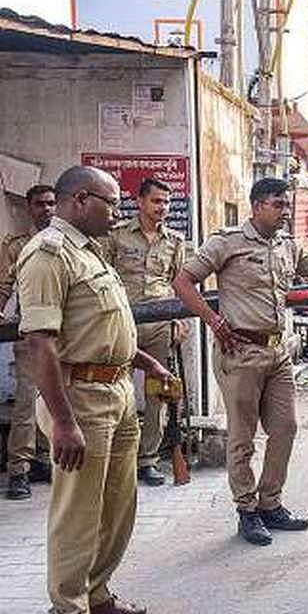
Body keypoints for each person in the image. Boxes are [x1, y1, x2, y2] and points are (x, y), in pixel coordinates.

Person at [18, 166, 175, 614]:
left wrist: (145, 361)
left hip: (119, 391)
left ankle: (96, 592)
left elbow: (102, 326)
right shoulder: (48, 255)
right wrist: (63, 424)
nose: (119, 212)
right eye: (112, 202)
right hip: (79, 400)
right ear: (81, 200)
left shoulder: (91, 252)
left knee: (117, 506)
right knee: (78, 513)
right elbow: (41, 344)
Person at [172, 177, 308, 546]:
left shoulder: (287, 246)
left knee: (285, 428)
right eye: (278, 204)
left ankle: (271, 503)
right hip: (240, 353)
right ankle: (246, 511)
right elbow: (184, 282)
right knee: (242, 438)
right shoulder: (227, 241)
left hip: (278, 352)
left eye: (286, 205)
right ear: (257, 206)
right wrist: (213, 320)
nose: (285, 212)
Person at [104, 178, 186, 487]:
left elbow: (181, 283)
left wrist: (181, 319)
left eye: (166, 202)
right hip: (122, 323)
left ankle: (148, 459)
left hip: (160, 324)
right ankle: (117, 457)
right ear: (140, 201)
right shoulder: (116, 236)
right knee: (116, 388)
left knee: (157, 393)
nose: (162, 208)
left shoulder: (175, 241)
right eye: (156, 201)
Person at [1, 184, 56, 500]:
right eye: (40, 204)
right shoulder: (16, 246)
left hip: (63, 333)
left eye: (51, 203)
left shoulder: (67, 243)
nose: (46, 209)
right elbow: (3, 286)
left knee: (55, 399)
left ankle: (44, 459)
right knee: (26, 405)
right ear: (29, 208)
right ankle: (19, 470)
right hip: (31, 333)